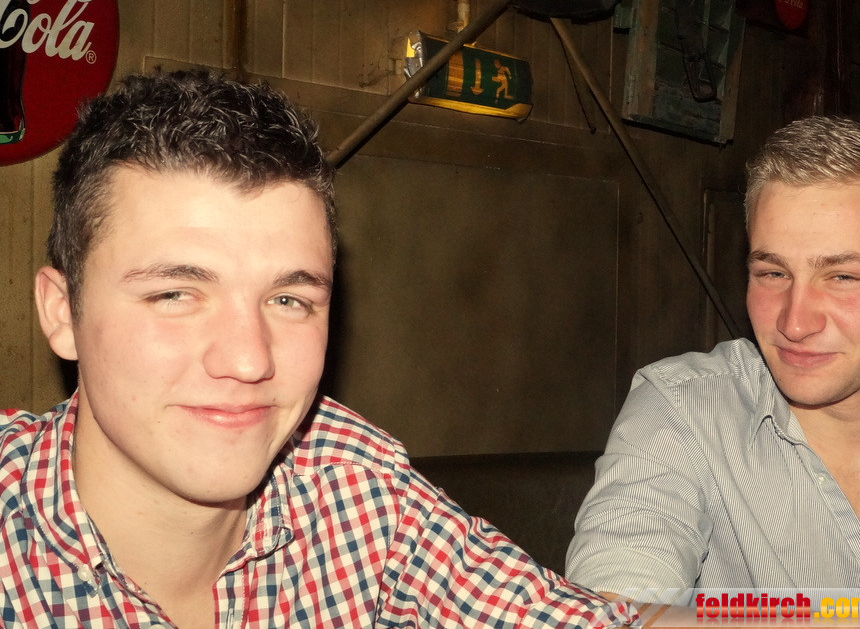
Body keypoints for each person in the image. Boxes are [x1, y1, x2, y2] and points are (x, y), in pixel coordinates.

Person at [0, 69, 637, 628]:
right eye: (175, 294)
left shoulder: (349, 481)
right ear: (61, 312)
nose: (250, 361)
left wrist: (706, 607)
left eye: (288, 299)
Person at [567, 116, 860, 623]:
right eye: (773, 273)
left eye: (842, 276)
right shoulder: (682, 409)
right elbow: (605, 617)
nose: (794, 323)